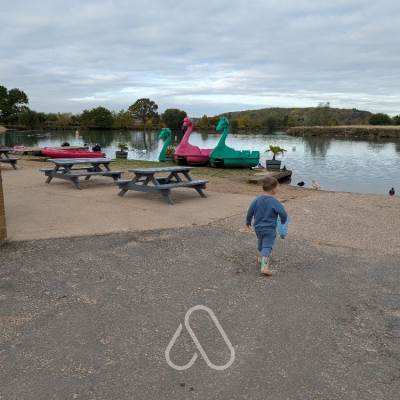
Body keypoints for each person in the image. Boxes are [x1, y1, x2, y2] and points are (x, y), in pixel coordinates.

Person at [246, 176, 288, 276]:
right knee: (267, 246)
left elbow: (250, 211)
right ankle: (264, 267)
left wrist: (248, 222)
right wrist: (283, 221)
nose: (278, 188)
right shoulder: (274, 201)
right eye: (278, 186)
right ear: (273, 189)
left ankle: (260, 258)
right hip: (269, 229)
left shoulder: (257, 200)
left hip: (258, 228)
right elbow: (283, 213)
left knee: (261, 242)